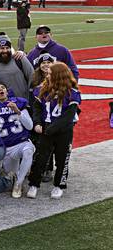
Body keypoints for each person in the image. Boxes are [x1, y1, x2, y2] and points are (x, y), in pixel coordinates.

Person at [26, 62, 81, 199]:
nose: (47, 75)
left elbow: (69, 115)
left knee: (62, 158)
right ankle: (34, 183)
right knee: (40, 157)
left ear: (58, 75)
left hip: (63, 131)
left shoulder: (72, 93)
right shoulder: (43, 89)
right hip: (46, 128)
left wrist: (52, 128)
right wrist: (37, 123)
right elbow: (37, 107)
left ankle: (59, 185)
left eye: (50, 73)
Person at [0, 83, 35, 198]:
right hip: (3, 148)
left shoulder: (18, 102)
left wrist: (17, 111)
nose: (1, 89)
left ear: (7, 91)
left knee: (29, 150)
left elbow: (30, 126)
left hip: (20, 143)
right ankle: (17, 175)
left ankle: (19, 184)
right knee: (10, 175)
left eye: (3, 87)